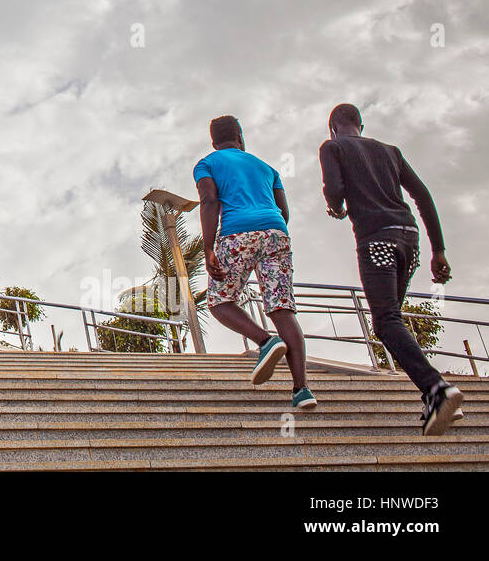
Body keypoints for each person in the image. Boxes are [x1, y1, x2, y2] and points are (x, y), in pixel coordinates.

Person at [319, 103, 463, 435]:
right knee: (392, 322)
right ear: (361, 125)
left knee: (385, 323)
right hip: (410, 242)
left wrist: (336, 207)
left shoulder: (332, 147)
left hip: (376, 241)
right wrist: (438, 249)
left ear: (332, 127)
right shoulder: (391, 151)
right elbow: (423, 196)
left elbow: (336, 190)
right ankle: (432, 395)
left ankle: (437, 388)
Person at [194, 115, 316, 409]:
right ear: (241, 138)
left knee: (220, 301)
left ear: (214, 141)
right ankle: (302, 390)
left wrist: (209, 248)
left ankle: (265, 341)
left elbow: (210, 200)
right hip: (276, 231)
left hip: (237, 232)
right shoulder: (268, 168)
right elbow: (283, 210)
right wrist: (270, 234)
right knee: (282, 309)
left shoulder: (206, 164)